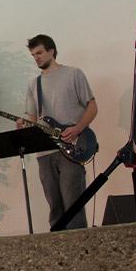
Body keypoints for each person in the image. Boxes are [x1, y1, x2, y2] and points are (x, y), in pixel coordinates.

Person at [16, 35, 97, 230]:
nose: (36, 58)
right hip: (44, 152)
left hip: (72, 147)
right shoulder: (34, 84)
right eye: (33, 55)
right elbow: (33, 117)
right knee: (55, 208)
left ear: (52, 51)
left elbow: (92, 107)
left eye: (40, 53)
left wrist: (77, 128)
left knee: (73, 205)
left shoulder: (73, 74)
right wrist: (24, 123)